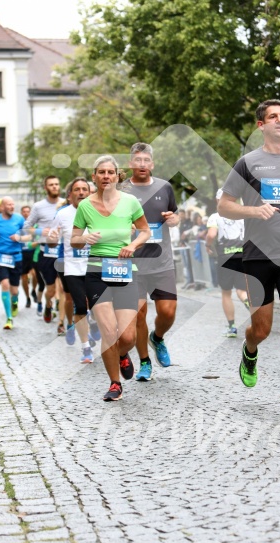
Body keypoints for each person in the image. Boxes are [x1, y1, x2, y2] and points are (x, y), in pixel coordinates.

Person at [218, 99, 280, 418]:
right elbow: (224, 205)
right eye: (272, 117)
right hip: (257, 255)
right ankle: (250, 351)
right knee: (261, 329)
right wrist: (252, 210)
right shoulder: (248, 163)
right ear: (261, 125)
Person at [71, 155, 150, 400]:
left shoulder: (130, 202)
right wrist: (84, 239)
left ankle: (123, 354)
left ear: (117, 176)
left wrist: (134, 245)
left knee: (127, 336)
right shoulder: (85, 206)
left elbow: (145, 231)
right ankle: (115, 384)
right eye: (101, 172)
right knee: (108, 331)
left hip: (125, 270)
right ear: (94, 176)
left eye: (110, 172)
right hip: (96, 271)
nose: (106, 176)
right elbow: (73, 240)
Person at [122, 142, 179, 381]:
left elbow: (175, 214)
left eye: (146, 161)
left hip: (161, 261)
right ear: (131, 163)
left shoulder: (165, 187)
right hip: (133, 263)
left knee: (168, 312)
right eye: (138, 160)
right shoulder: (121, 190)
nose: (142, 165)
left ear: (152, 164)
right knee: (138, 314)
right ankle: (145, 362)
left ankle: (157, 338)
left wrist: (173, 219)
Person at [48, 177, 98, 363]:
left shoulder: (99, 210)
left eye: (84, 189)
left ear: (89, 192)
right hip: (72, 267)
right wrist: (52, 238)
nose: (81, 192)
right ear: (70, 195)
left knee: (98, 306)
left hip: (95, 266)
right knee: (79, 305)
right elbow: (53, 240)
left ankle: (93, 324)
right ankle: (86, 348)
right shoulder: (62, 214)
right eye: (76, 189)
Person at [23, 175, 64, 323]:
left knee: (64, 287)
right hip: (45, 252)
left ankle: (61, 322)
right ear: (46, 187)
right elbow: (26, 228)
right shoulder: (38, 206)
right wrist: (40, 232)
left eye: (56, 184)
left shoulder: (66, 204)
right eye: (51, 184)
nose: (54, 187)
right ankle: (48, 304)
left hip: (64, 251)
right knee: (51, 289)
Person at [206, 204, 250, 338]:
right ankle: (248, 302)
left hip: (225, 257)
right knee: (242, 290)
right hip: (242, 255)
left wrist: (207, 245)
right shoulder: (242, 214)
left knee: (226, 293)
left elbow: (212, 234)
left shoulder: (215, 216)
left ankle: (232, 328)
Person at [0, 197, 24, 329]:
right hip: (0, 257)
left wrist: (19, 237)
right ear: (2, 207)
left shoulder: (19, 219)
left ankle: (14, 301)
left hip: (16, 257)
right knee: (5, 284)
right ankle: (9, 318)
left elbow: (28, 235)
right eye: (9, 204)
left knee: (14, 291)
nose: (11, 206)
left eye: (13, 204)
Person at [20, 205, 38, 308]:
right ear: (22, 213)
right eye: (24, 211)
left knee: (34, 274)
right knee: (24, 278)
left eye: (28, 211)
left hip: (32, 252)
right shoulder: (19, 224)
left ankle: (34, 290)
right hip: (22, 253)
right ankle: (27, 298)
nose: (26, 213)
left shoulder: (34, 224)